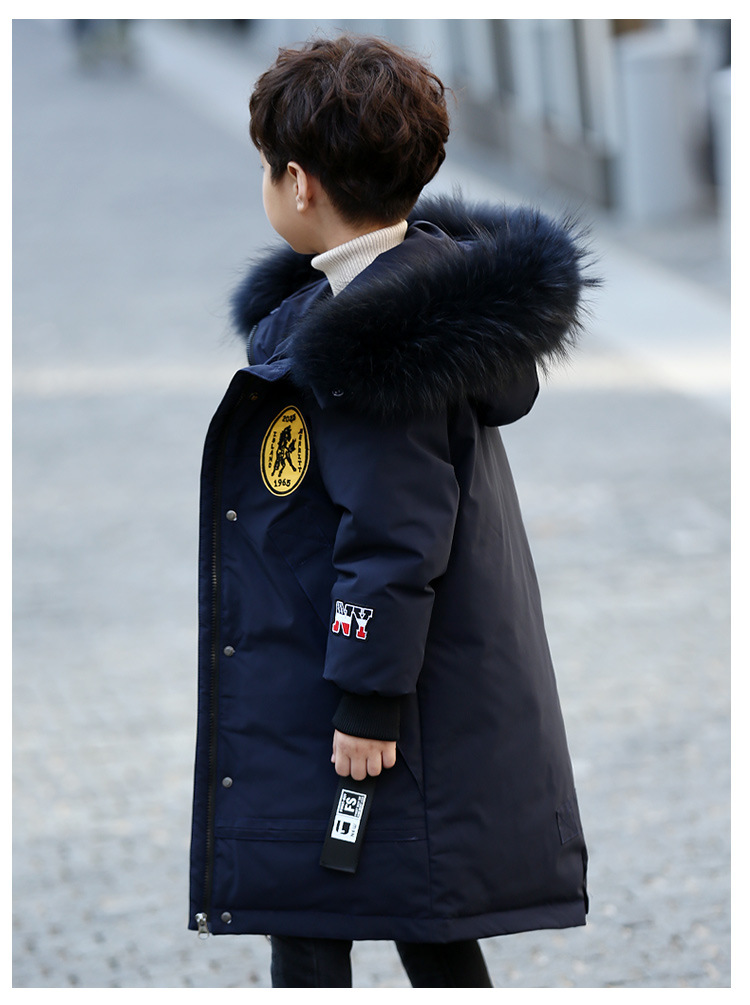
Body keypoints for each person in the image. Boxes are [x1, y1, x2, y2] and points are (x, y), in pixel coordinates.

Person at [189, 33, 594, 988]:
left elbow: (393, 537)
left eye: (267, 165)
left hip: (370, 693)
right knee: (418, 909)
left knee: (325, 915)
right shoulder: (407, 293)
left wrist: (367, 701)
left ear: (298, 183)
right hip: (393, 679)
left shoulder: (373, 339)